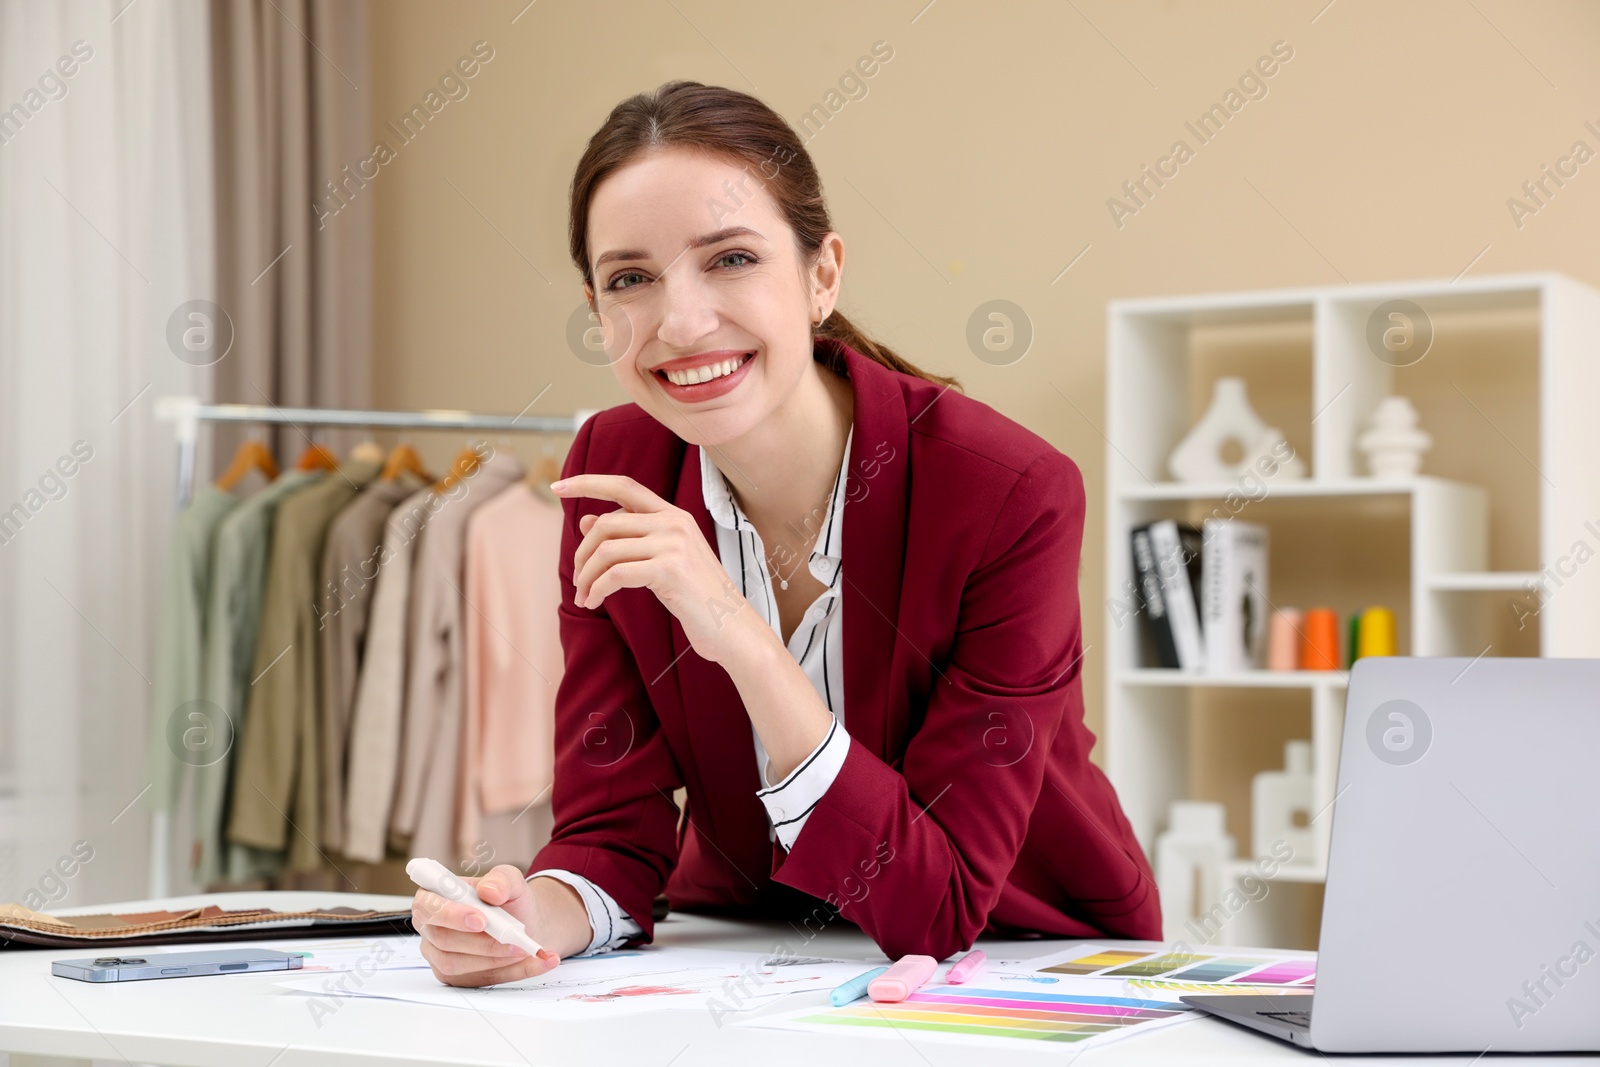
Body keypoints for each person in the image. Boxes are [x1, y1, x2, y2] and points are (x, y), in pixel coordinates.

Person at [412, 80, 1159, 988]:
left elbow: (941, 905)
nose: (682, 323)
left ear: (821, 275)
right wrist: (535, 917)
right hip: (755, 953)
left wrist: (739, 638)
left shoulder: (1010, 493)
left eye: (729, 259)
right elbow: (611, 829)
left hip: (1030, 953)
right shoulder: (616, 468)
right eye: (632, 279)